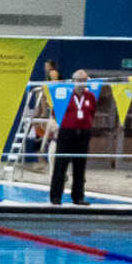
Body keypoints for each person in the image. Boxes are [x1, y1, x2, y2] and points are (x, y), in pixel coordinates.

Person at [51, 70, 97, 205]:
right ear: (73, 81)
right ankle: (56, 197)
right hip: (67, 133)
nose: (82, 84)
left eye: (84, 81)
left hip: (83, 134)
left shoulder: (90, 97)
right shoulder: (65, 95)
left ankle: (78, 197)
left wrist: (85, 126)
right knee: (60, 166)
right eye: (79, 80)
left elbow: (92, 113)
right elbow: (55, 113)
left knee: (80, 167)